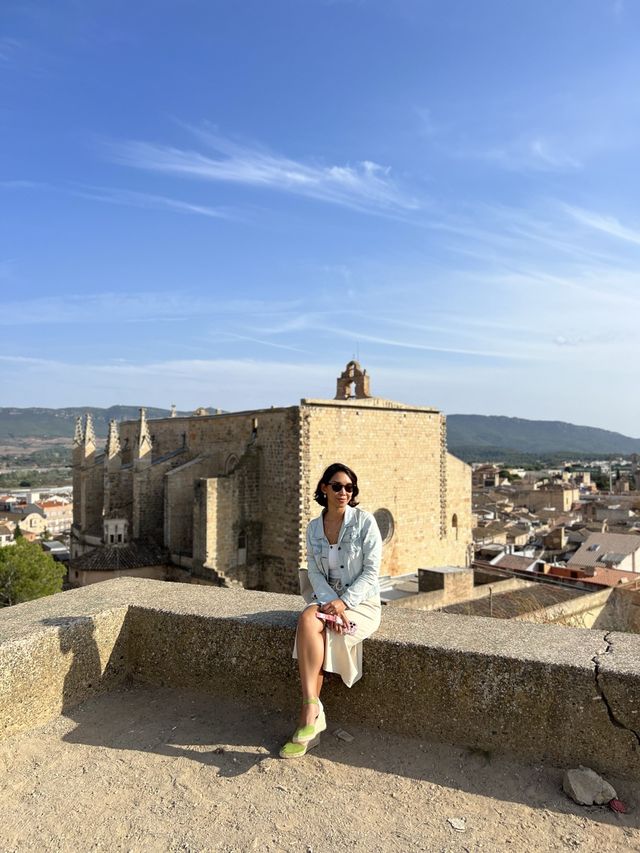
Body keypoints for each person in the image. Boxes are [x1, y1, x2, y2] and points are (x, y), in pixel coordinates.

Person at [279, 462, 382, 759]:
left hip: (360, 603)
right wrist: (328, 603)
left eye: (349, 488)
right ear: (324, 488)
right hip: (326, 600)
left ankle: (306, 724)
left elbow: (372, 572)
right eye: (337, 486)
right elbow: (313, 570)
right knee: (307, 620)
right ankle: (312, 706)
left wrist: (343, 603)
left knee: (322, 638)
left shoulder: (364, 522)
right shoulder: (314, 527)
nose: (343, 492)